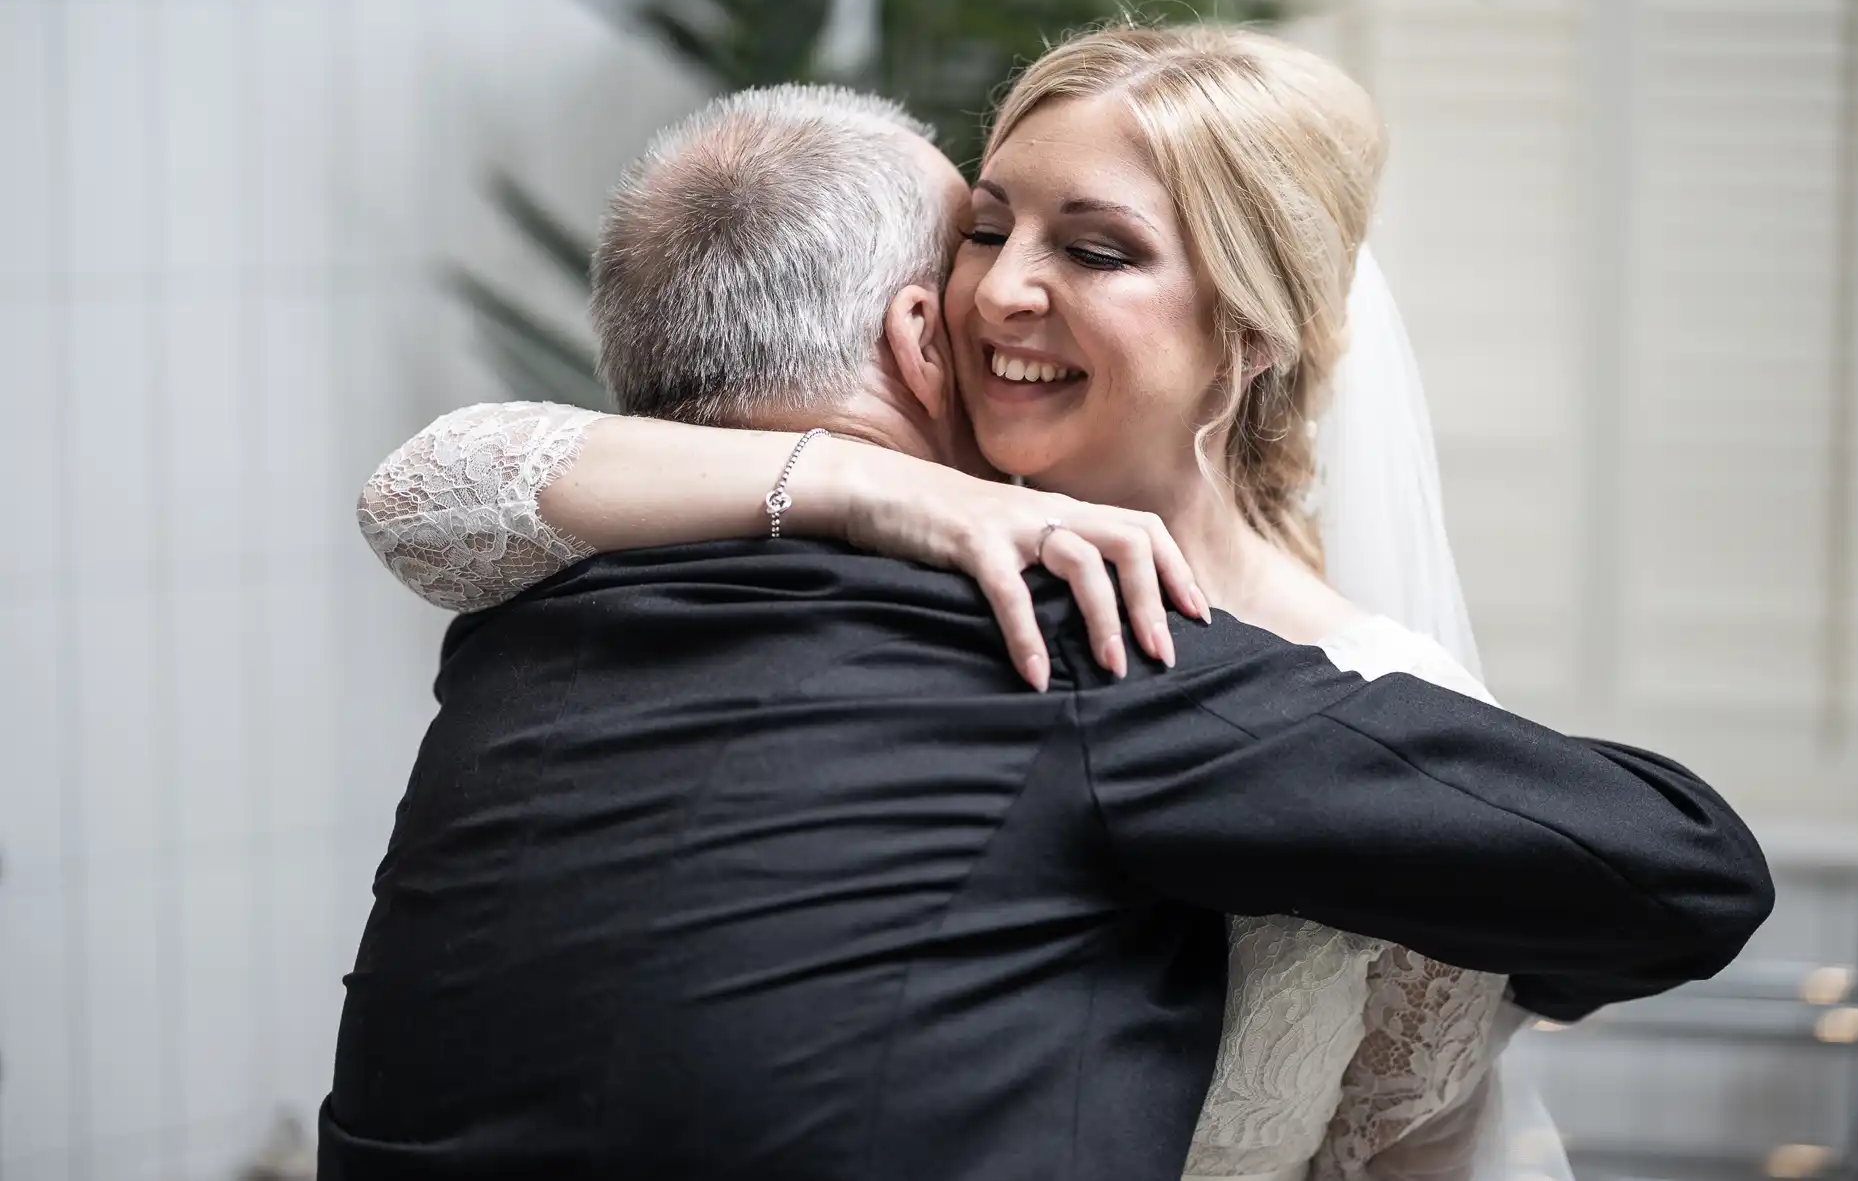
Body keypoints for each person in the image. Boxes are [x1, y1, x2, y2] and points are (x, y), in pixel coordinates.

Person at [333, 57, 1769, 1181]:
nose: (1003, 288)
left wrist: (1514, 958)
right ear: (919, 326)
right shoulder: (930, 602)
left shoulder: (545, 604)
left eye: (1096, 248)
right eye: (984, 228)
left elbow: (1636, 911)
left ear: (1249, 333)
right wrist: (870, 489)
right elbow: (424, 485)